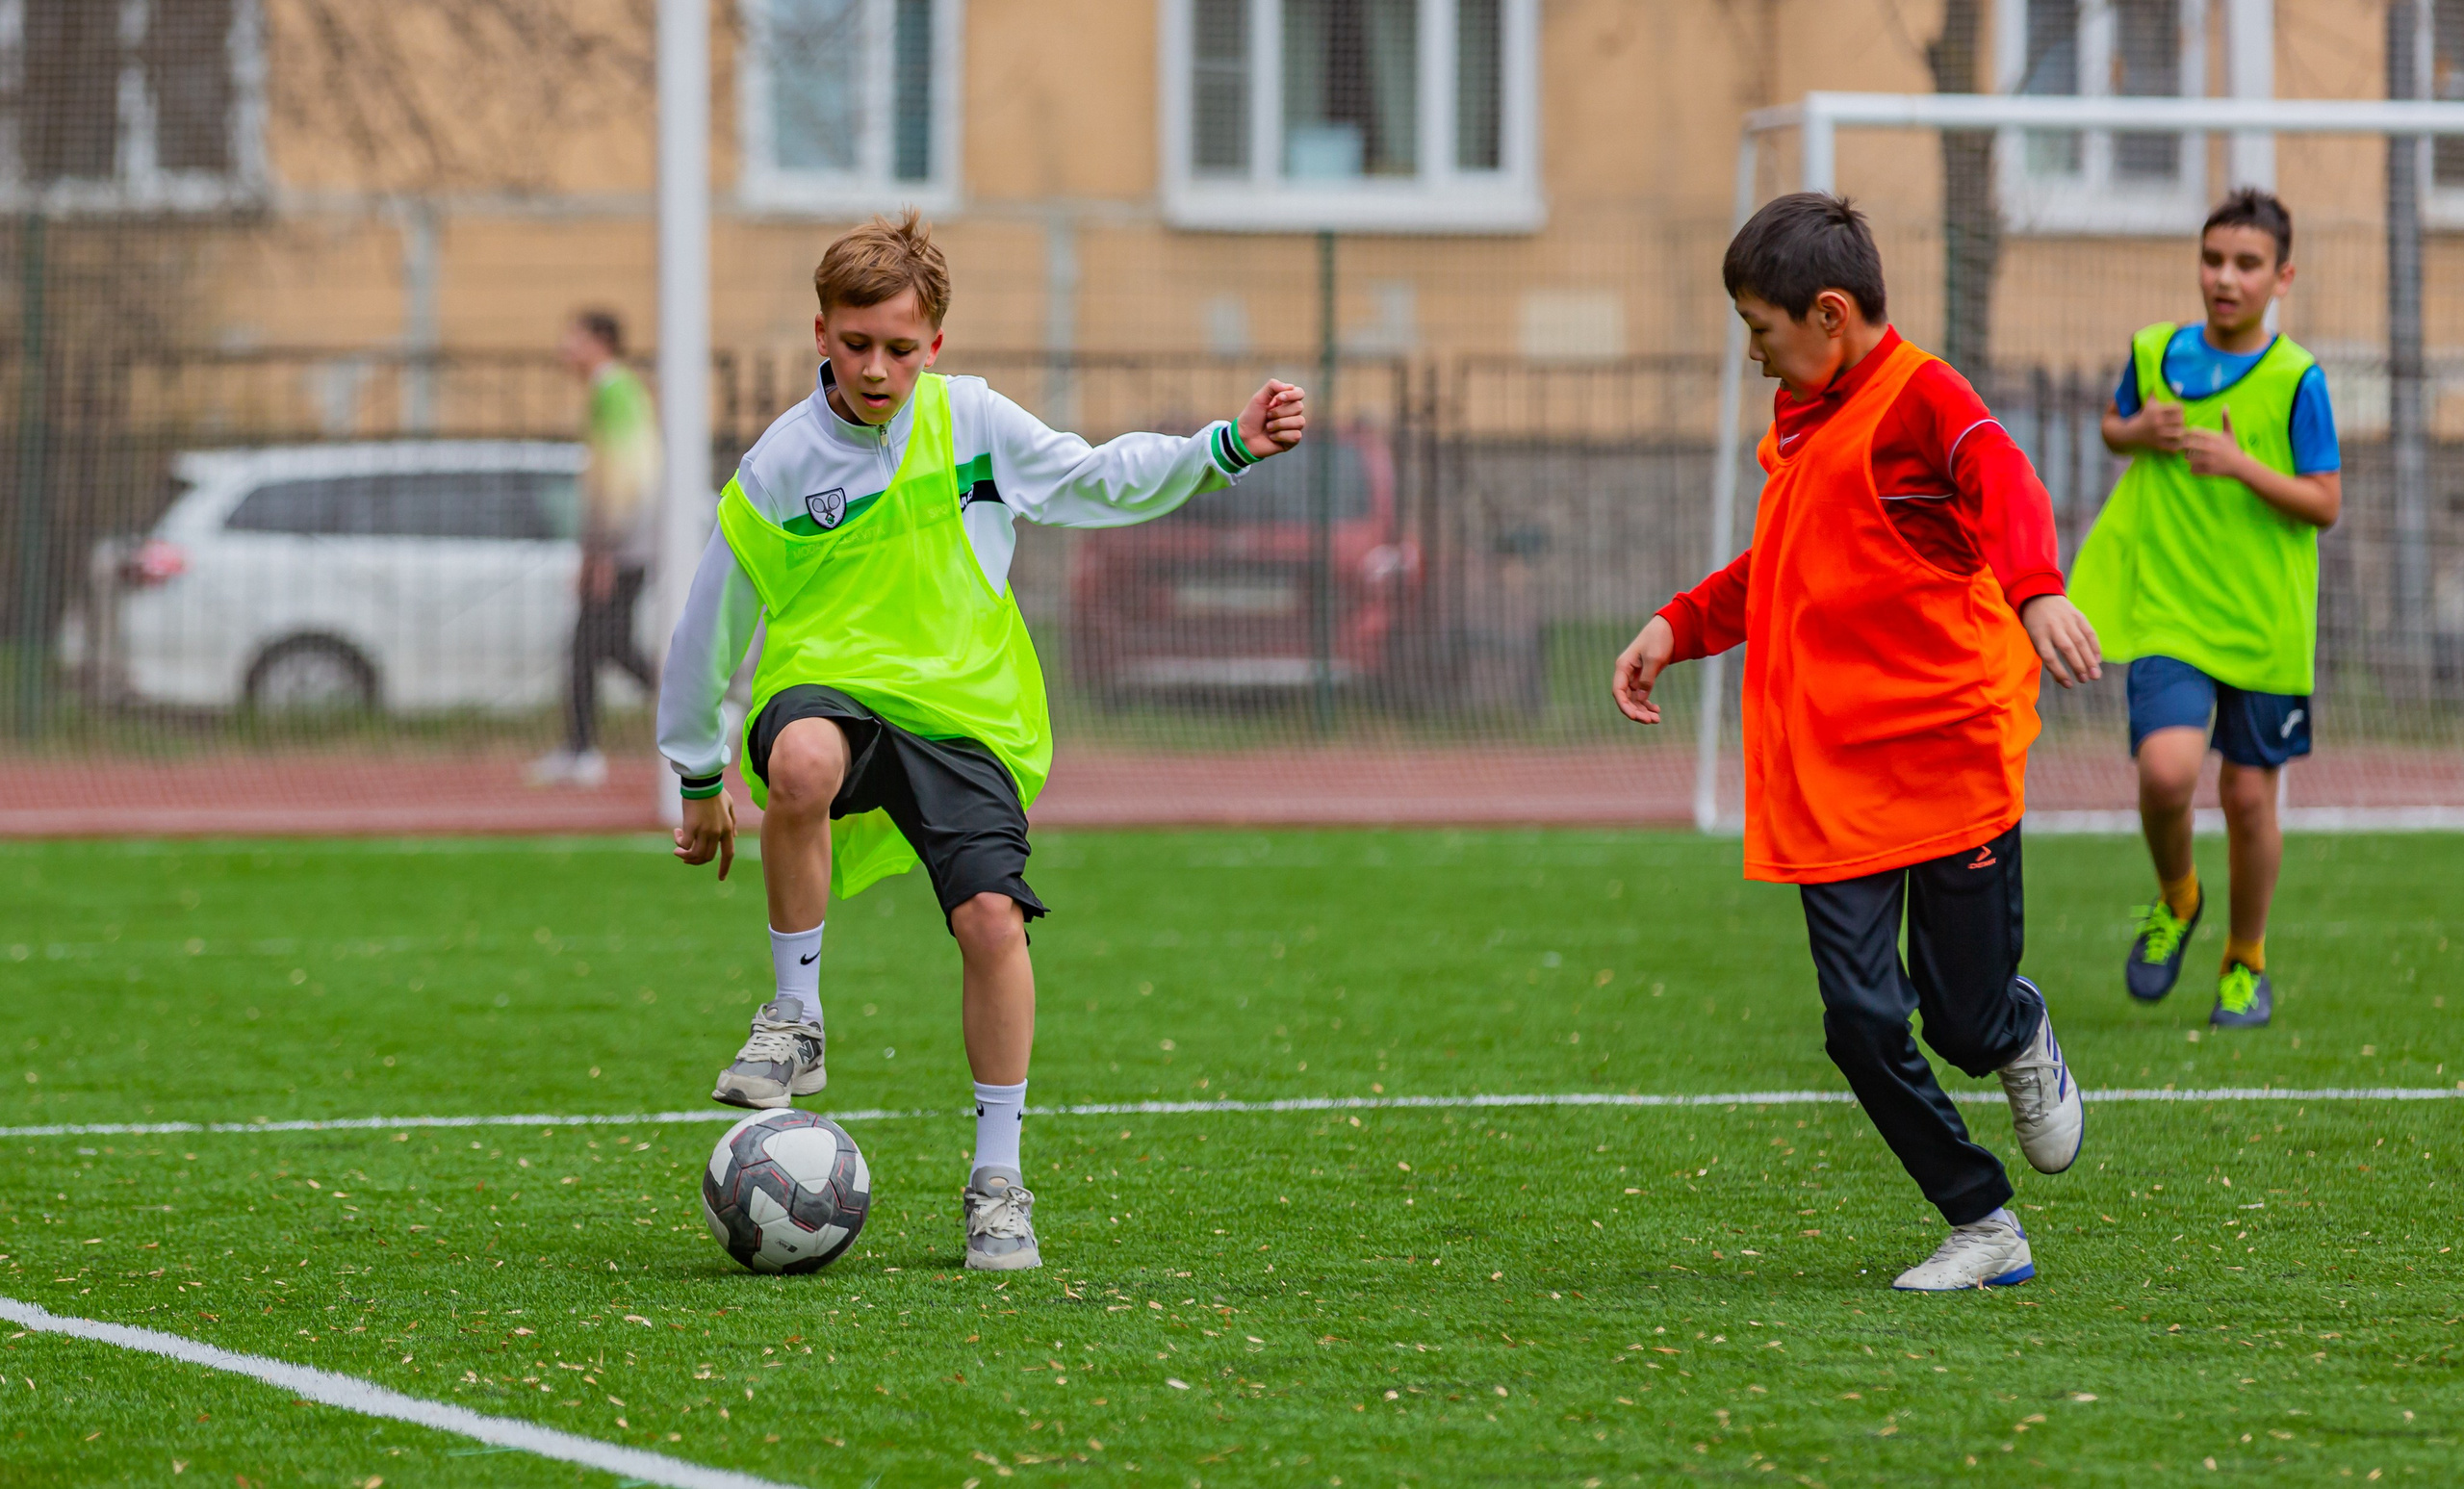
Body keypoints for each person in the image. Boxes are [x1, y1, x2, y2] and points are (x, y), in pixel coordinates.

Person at [656, 211, 1305, 1271]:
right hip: (830, 687)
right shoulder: (779, 464)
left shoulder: (974, 423)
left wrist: (1218, 449)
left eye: (899, 347)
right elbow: (707, 623)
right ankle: (795, 1017)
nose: (877, 367)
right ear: (820, 334)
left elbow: (1093, 476)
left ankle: (997, 1180)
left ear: (935, 345)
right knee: (802, 761)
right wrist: (696, 772)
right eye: (855, 343)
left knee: (992, 921)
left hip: (966, 712)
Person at [1610, 193, 2103, 1292]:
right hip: (1832, 778)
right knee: (1861, 1020)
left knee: (1963, 1020)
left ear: (1828, 314)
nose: (1753, 351)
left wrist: (2035, 590)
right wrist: (1678, 625)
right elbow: (1786, 566)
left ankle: (2016, 1029)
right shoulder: (1800, 417)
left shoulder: (1924, 397)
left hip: (1949, 753)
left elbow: (2005, 480)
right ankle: (1981, 1220)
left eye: (1760, 328)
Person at [2071, 190, 2339, 1031]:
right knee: (2165, 773)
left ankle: (2245, 960)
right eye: (2213, 259)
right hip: (2170, 610)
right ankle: (2179, 895)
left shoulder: (2298, 378)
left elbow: (2325, 501)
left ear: (2281, 277)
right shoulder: (2154, 351)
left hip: (2263, 622)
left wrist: (2238, 462)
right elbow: (2113, 425)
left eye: (2247, 264)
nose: (2225, 278)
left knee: (2250, 799)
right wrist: (2136, 432)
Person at [530, 309, 663, 789]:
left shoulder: (613, 392)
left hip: (625, 546)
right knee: (605, 645)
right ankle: (581, 747)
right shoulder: (613, 392)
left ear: (601, 342)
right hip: (624, 544)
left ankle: (582, 751)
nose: (565, 349)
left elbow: (622, 477)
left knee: (589, 645)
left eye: (574, 338)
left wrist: (603, 551)